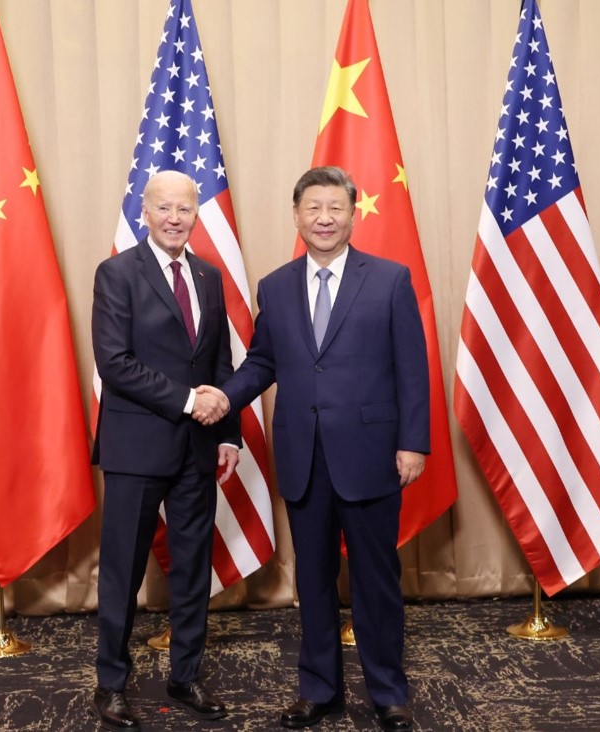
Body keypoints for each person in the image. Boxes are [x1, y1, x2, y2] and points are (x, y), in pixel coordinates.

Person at [198, 166, 426, 731]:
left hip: (373, 453)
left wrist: (412, 444)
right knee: (313, 579)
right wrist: (222, 399)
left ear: (354, 213)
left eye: (336, 208)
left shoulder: (391, 280)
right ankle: (318, 687)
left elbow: (413, 371)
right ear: (296, 214)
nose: (324, 218)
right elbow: (263, 362)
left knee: (376, 578)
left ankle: (388, 693)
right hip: (303, 455)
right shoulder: (275, 286)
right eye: (313, 208)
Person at [91, 170, 239, 731]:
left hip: (198, 448)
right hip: (136, 446)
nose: (176, 218)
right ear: (145, 213)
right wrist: (186, 401)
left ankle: (186, 675)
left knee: (193, 569)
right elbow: (116, 364)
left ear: (196, 214)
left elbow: (219, 361)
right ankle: (110, 683)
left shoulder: (208, 275)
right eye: (165, 208)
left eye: (185, 209)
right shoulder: (117, 274)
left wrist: (227, 429)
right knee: (122, 572)